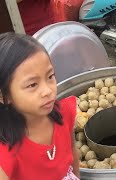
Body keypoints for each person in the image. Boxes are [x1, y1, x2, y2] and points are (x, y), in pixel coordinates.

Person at [0, 32, 80, 179]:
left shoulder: (64, 112)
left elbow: (73, 152)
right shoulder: (6, 149)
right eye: (32, 85)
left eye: (50, 76)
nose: (47, 90)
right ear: (4, 96)